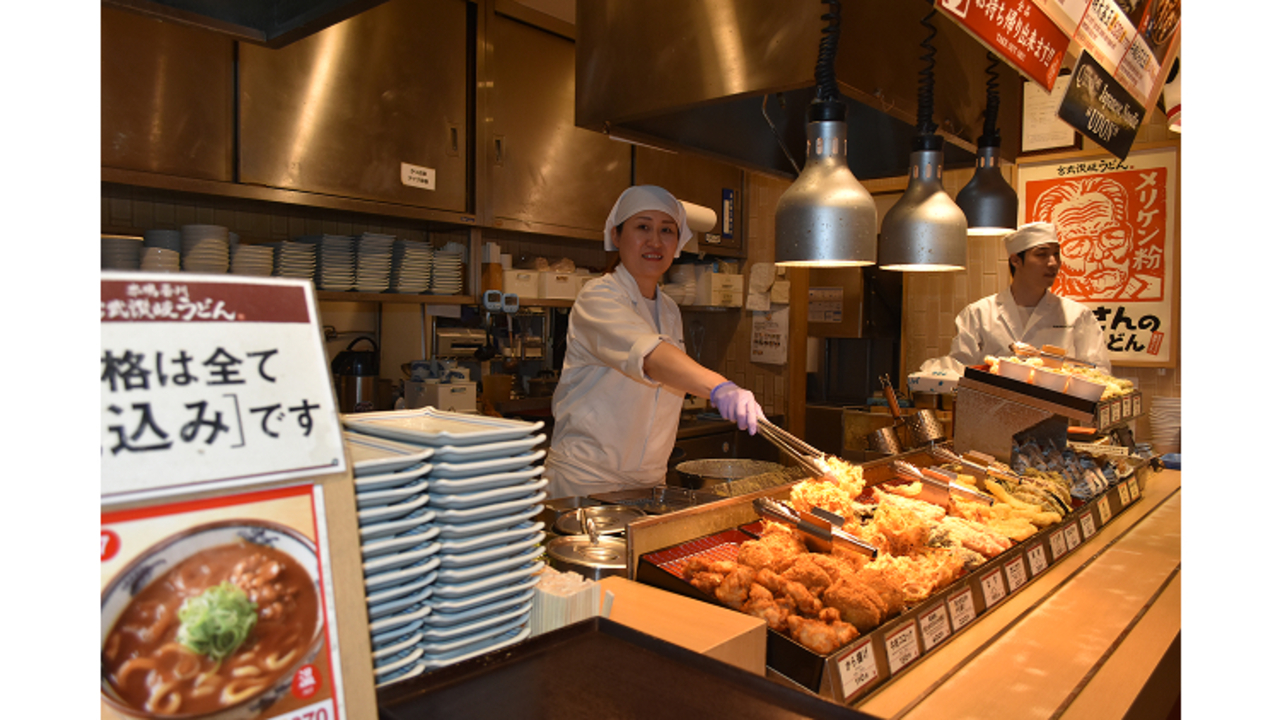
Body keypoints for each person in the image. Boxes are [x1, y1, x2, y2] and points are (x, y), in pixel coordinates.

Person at [544, 185, 763, 500]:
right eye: (643, 227)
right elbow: (650, 356)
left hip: (649, 483)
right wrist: (719, 387)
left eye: (667, 231)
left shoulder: (669, 309)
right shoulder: (599, 297)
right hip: (588, 482)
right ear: (617, 236)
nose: (655, 241)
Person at [921, 222, 1112, 375]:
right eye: (1042, 254)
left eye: (1056, 254)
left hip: (1056, 416)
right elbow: (961, 369)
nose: (1053, 263)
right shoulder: (979, 313)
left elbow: (1099, 372)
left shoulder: (1078, 315)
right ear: (1015, 260)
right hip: (991, 415)